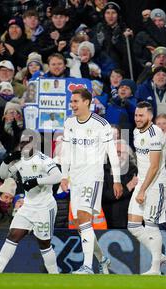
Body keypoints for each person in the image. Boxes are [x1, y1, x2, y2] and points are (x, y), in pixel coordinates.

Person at [60, 88, 123, 274]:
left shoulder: (100, 124)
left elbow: (112, 152)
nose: (72, 105)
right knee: (81, 224)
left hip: (93, 177)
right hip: (75, 178)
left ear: (87, 102)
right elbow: (66, 151)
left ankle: (87, 267)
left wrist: (117, 180)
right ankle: (102, 259)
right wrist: (64, 175)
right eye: (71, 102)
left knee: (85, 218)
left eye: (76, 101)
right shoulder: (69, 122)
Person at [0, 132, 62, 274]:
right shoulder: (19, 160)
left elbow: (57, 176)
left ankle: (55, 275)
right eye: (23, 142)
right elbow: (3, 175)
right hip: (27, 206)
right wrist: (6, 161)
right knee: (13, 235)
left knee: (44, 244)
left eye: (29, 142)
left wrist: (36, 181)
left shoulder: (44, 159)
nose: (25, 144)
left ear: (35, 144)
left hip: (45, 206)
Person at [127, 101, 166, 275]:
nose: (137, 118)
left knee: (151, 225)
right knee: (133, 225)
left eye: (141, 115)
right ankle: (159, 255)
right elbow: (143, 162)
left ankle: (155, 268)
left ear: (150, 116)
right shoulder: (136, 131)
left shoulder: (155, 134)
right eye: (136, 115)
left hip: (156, 184)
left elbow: (154, 166)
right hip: (143, 182)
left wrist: (143, 189)